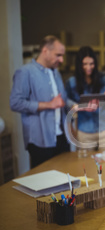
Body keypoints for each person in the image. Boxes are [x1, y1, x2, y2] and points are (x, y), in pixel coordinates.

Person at [10, 35, 71, 168]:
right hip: (40, 140)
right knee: (45, 182)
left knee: (66, 178)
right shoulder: (25, 72)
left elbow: (62, 100)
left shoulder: (56, 73)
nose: (61, 60)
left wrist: (80, 106)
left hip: (61, 136)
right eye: (58, 55)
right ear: (45, 51)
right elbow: (15, 102)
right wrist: (49, 105)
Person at [65, 46, 105, 151]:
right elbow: (65, 102)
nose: (89, 67)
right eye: (85, 64)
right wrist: (77, 106)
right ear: (79, 65)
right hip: (84, 130)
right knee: (86, 165)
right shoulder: (72, 82)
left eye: (91, 64)